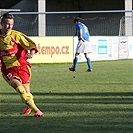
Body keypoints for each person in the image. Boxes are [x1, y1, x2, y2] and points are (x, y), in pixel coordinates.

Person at [0, 13, 43, 117]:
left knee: (27, 94)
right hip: (8, 69)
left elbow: (32, 46)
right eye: (6, 24)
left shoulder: (16, 35)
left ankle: (29, 106)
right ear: (1, 23)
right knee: (20, 89)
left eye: (11, 24)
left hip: (22, 67)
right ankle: (37, 111)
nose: (9, 26)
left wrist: (31, 54)